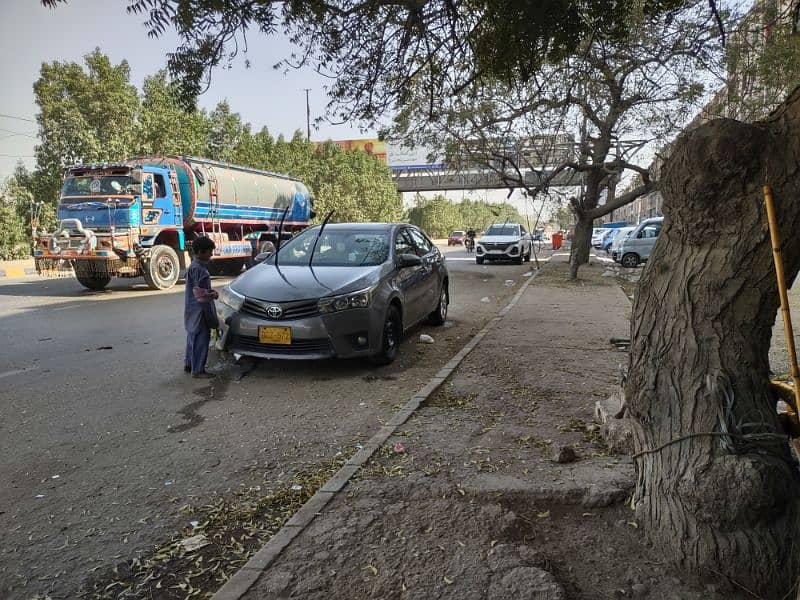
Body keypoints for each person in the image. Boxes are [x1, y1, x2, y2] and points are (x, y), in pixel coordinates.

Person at [184, 236, 219, 378]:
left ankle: (189, 363)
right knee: (201, 339)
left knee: (192, 337)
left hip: (191, 309)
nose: (211, 255)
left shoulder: (192, 267)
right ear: (200, 252)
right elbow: (201, 295)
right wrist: (213, 295)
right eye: (209, 252)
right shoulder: (201, 271)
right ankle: (198, 370)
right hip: (200, 311)